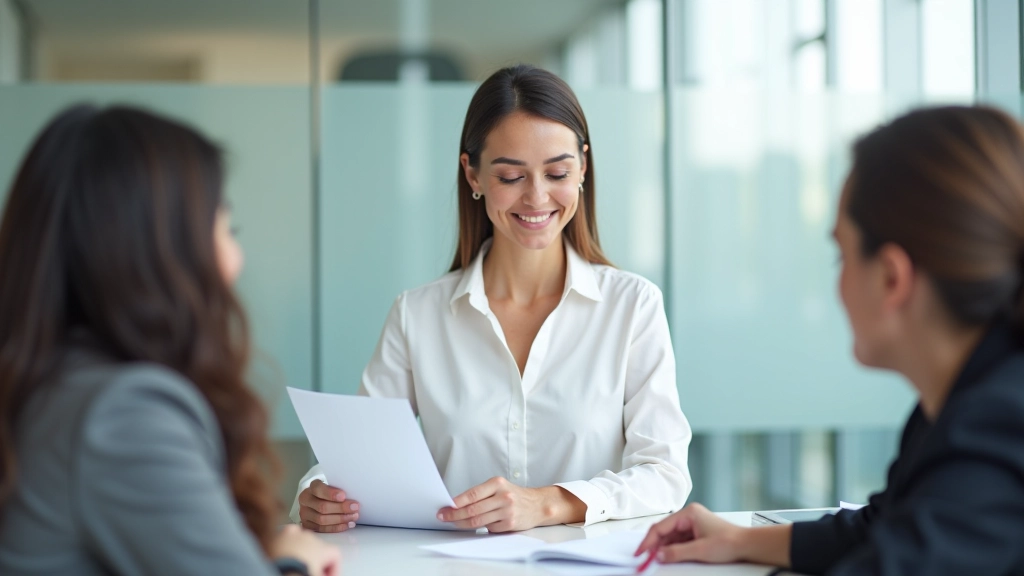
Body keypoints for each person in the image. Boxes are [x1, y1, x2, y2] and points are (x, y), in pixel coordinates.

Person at [293, 64, 693, 533]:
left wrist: (548, 504)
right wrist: (317, 492)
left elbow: (665, 474)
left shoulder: (632, 306)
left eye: (557, 172)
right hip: (452, 563)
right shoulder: (417, 315)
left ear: (583, 167)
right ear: (473, 175)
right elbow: (360, 459)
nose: (537, 197)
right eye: (510, 177)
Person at [634, 105, 1024, 574]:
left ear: (891, 278)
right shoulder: (958, 404)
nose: (836, 286)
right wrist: (736, 539)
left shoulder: (994, 427)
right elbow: (882, 528)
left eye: (842, 255)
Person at [0, 105, 340, 576]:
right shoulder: (124, 412)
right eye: (226, 229)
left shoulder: (49, 385)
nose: (236, 259)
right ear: (167, 250)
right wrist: (291, 564)